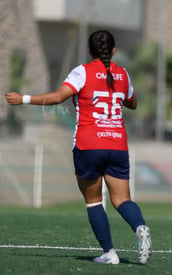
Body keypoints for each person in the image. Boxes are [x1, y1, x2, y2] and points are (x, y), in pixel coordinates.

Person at [5, 30, 152, 265]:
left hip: (89, 144)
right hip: (117, 144)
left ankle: (109, 253)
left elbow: (57, 98)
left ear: (89, 50)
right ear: (113, 51)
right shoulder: (123, 74)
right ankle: (140, 227)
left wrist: (22, 99)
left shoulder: (82, 72)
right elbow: (132, 102)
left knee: (94, 201)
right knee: (122, 200)